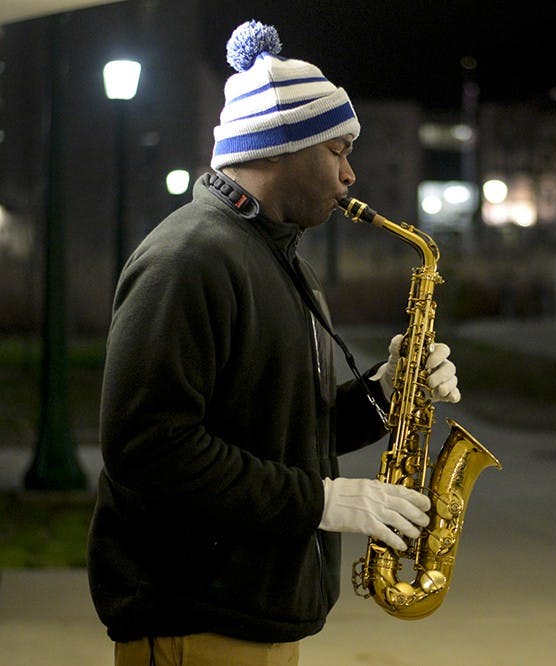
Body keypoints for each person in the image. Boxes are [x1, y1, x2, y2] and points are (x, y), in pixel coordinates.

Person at [87, 20, 461, 665]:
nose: (350, 175)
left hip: (253, 621)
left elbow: (280, 429)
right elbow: (149, 450)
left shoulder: (276, 259)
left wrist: (383, 391)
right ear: (280, 146)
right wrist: (319, 500)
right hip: (196, 621)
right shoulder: (188, 258)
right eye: (337, 151)